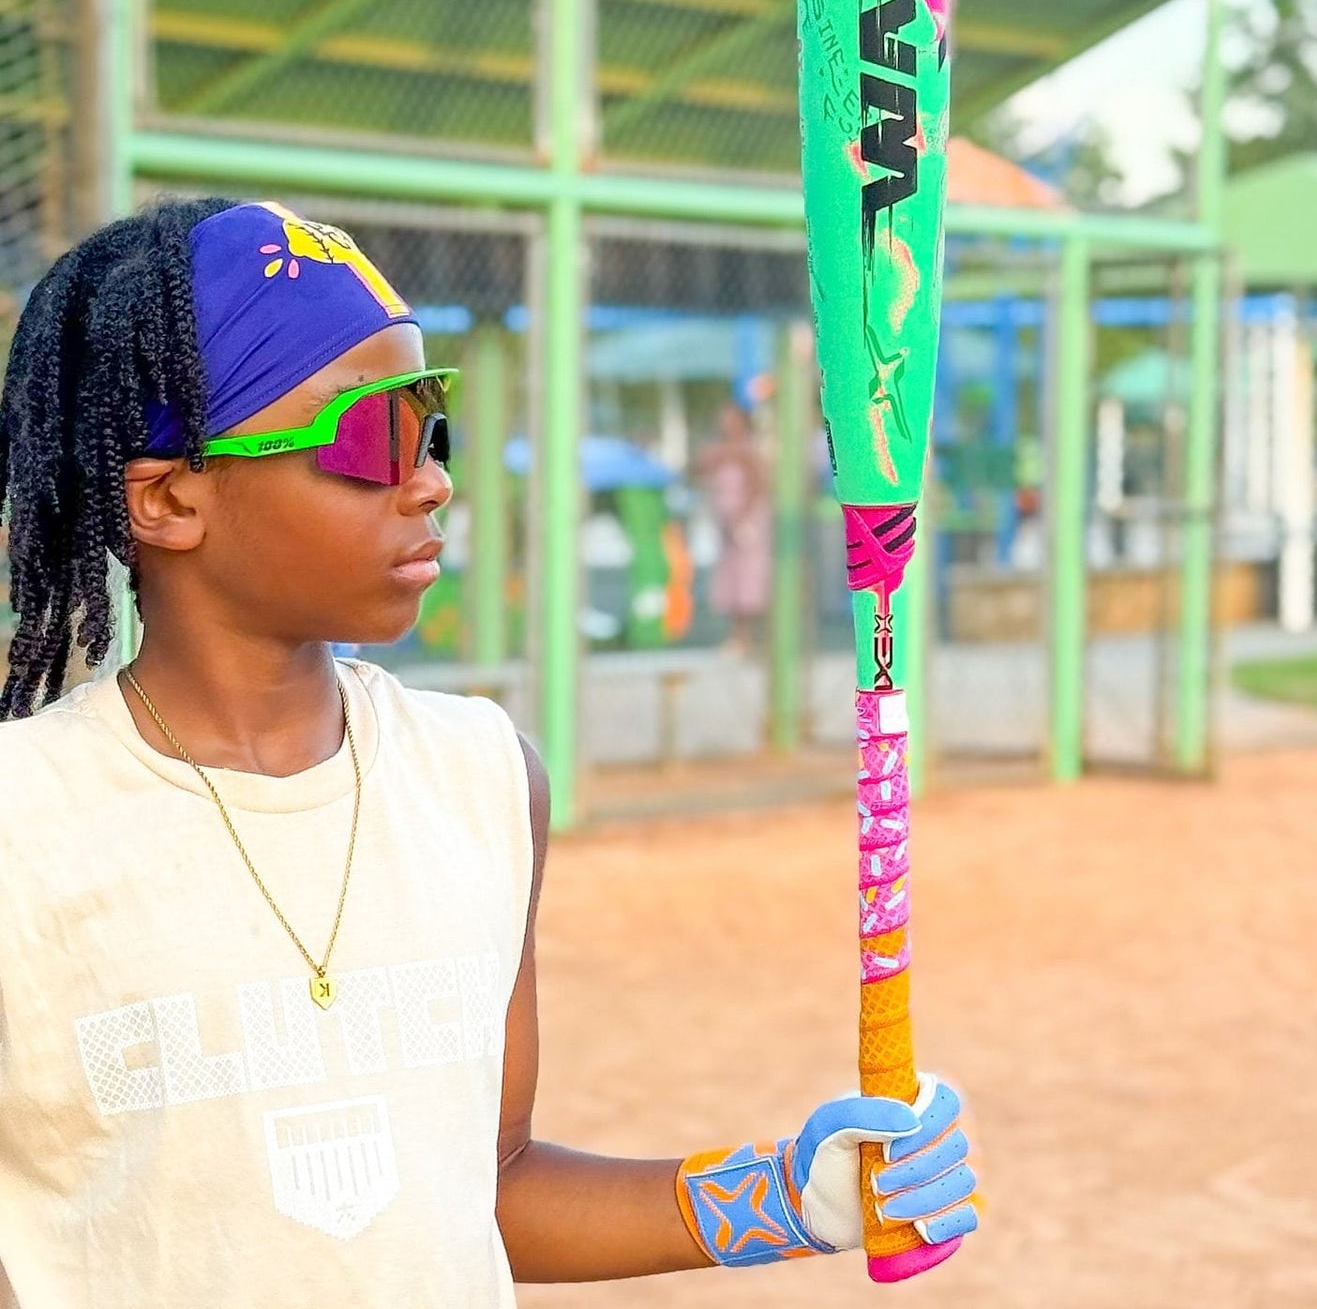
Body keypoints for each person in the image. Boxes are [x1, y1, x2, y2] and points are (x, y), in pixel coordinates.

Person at [0, 199, 977, 1305]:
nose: (431, 479)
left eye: (434, 425)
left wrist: (793, 1196)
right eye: (373, 436)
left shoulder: (481, 779)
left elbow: (490, 1183)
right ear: (170, 499)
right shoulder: (25, 825)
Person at [696, 400, 774, 654]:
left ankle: (751, 636)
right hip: (726, 523)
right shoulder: (720, 452)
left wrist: (742, 517)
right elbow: (701, 466)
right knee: (730, 578)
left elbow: (758, 484)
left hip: (747, 522)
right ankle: (737, 635)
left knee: (749, 579)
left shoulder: (748, 452)